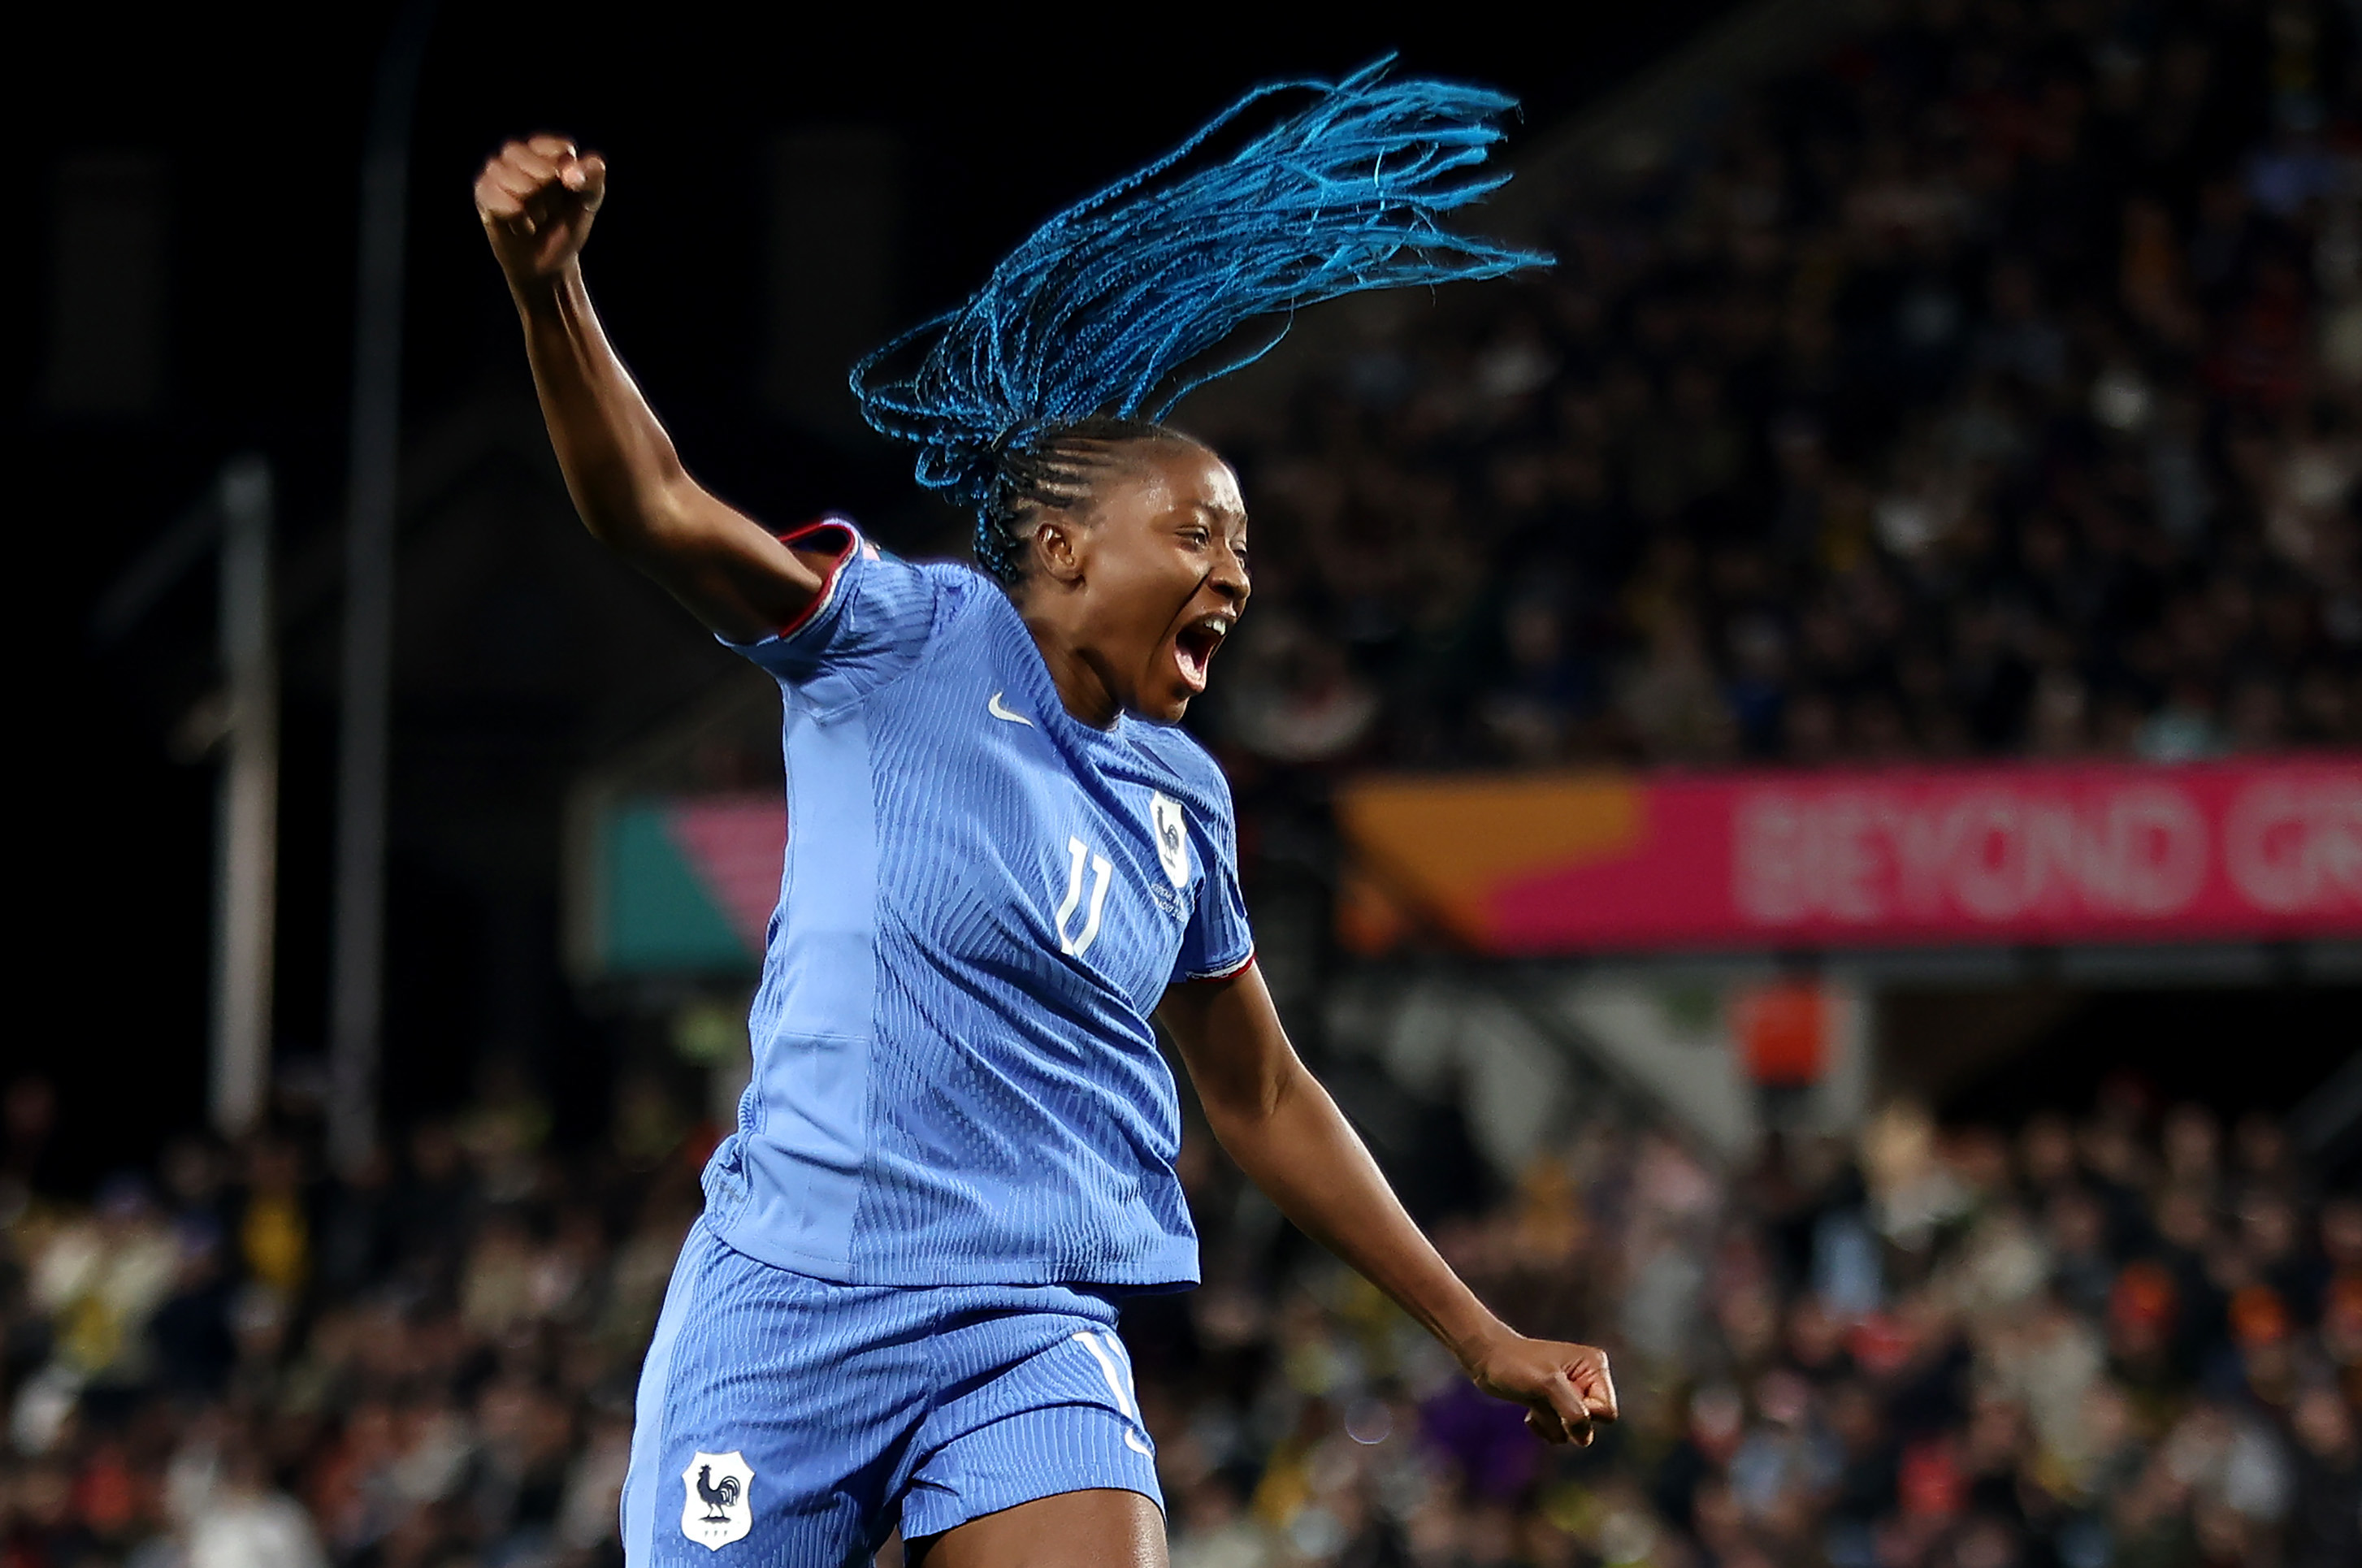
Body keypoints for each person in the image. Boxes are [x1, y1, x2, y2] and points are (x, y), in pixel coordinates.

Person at [475, 63, 1616, 1568]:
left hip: (1023, 1327)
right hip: (792, 1301)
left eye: (1246, 547)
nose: (1238, 572)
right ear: (1065, 550)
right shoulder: (906, 637)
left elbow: (1265, 1097)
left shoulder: (1183, 803)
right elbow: (655, 507)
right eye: (1200, 529)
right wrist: (550, 290)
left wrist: (1482, 1334)